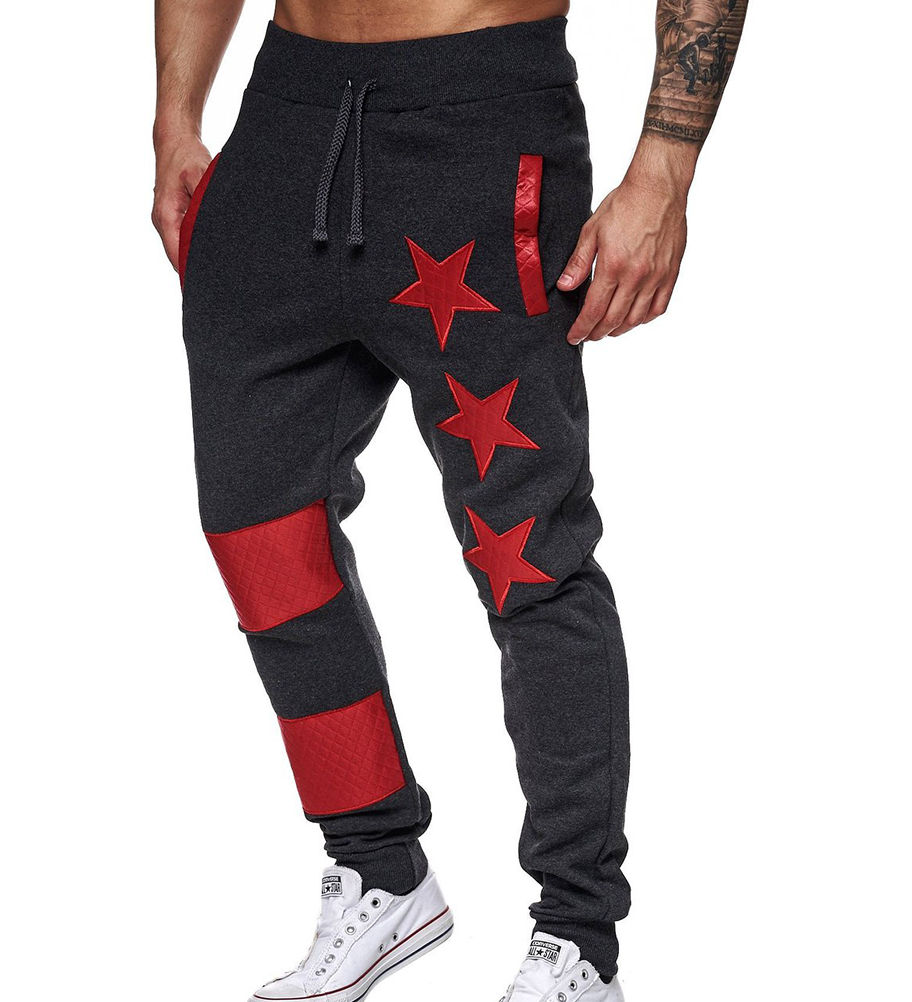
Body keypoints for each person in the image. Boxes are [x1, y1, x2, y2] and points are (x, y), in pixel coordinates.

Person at [151, 2, 748, 1000]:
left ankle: (577, 940)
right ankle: (379, 867)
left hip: (479, 135)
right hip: (279, 138)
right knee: (259, 533)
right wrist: (175, 117)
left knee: (528, 558)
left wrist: (665, 170)